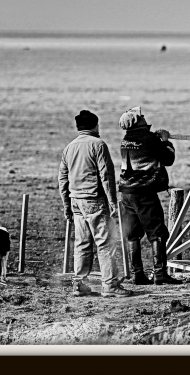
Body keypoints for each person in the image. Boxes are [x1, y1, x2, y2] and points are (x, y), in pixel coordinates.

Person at [58, 110, 131, 297]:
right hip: (94, 200)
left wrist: (67, 205)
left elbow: (63, 180)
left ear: (78, 127)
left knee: (82, 243)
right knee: (105, 243)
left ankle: (80, 284)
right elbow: (106, 176)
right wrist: (113, 202)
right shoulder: (98, 145)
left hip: (76, 201)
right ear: (95, 125)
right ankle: (110, 285)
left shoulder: (69, 147)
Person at [117, 106, 182, 285]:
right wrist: (166, 141)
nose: (145, 117)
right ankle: (160, 273)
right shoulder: (149, 138)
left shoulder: (126, 139)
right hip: (144, 193)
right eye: (142, 116)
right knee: (157, 233)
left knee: (133, 234)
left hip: (126, 193)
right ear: (137, 121)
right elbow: (168, 159)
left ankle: (137, 274)